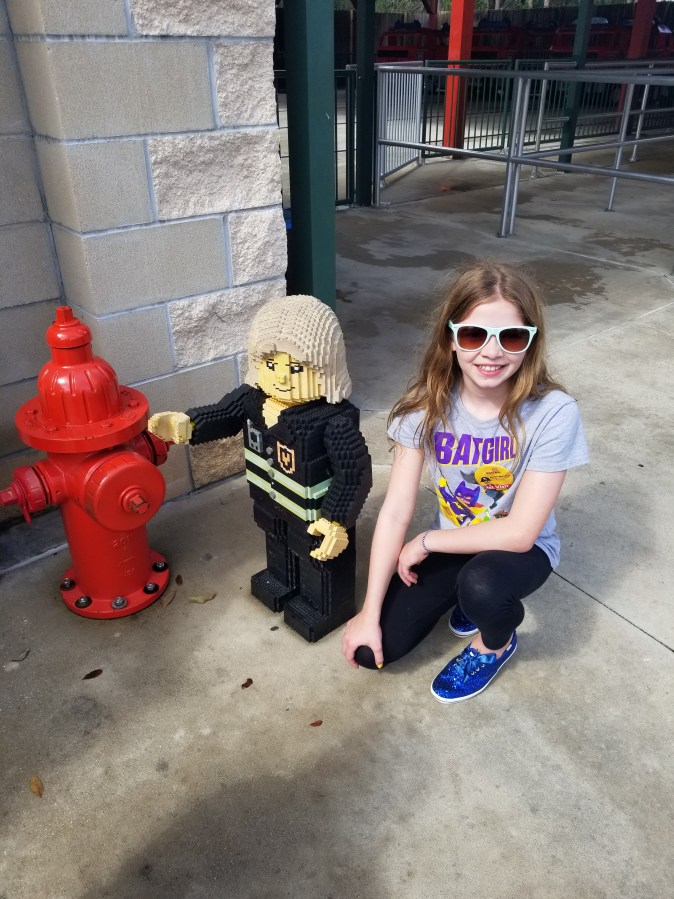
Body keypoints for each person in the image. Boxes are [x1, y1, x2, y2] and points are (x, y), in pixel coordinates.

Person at [341, 262, 589, 703]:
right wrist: (368, 611)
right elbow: (396, 510)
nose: (492, 352)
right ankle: (467, 598)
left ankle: (496, 643)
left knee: (483, 587)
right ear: (450, 338)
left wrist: (426, 542)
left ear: (530, 343)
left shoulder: (553, 412)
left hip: (521, 551)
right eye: (475, 335)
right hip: (457, 541)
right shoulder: (425, 406)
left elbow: (521, 532)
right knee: (371, 650)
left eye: (511, 337)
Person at [149, 295, 372, 643]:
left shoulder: (333, 421)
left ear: (325, 368)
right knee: (276, 537)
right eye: (270, 363)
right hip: (269, 497)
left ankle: (322, 606)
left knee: (317, 557)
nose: (281, 376)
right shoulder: (252, 400)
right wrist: (188, 425)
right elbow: (222, 416)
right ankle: (281, 580)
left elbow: (354, 472)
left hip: (314, 512)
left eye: (296, 368)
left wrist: (336, 519)